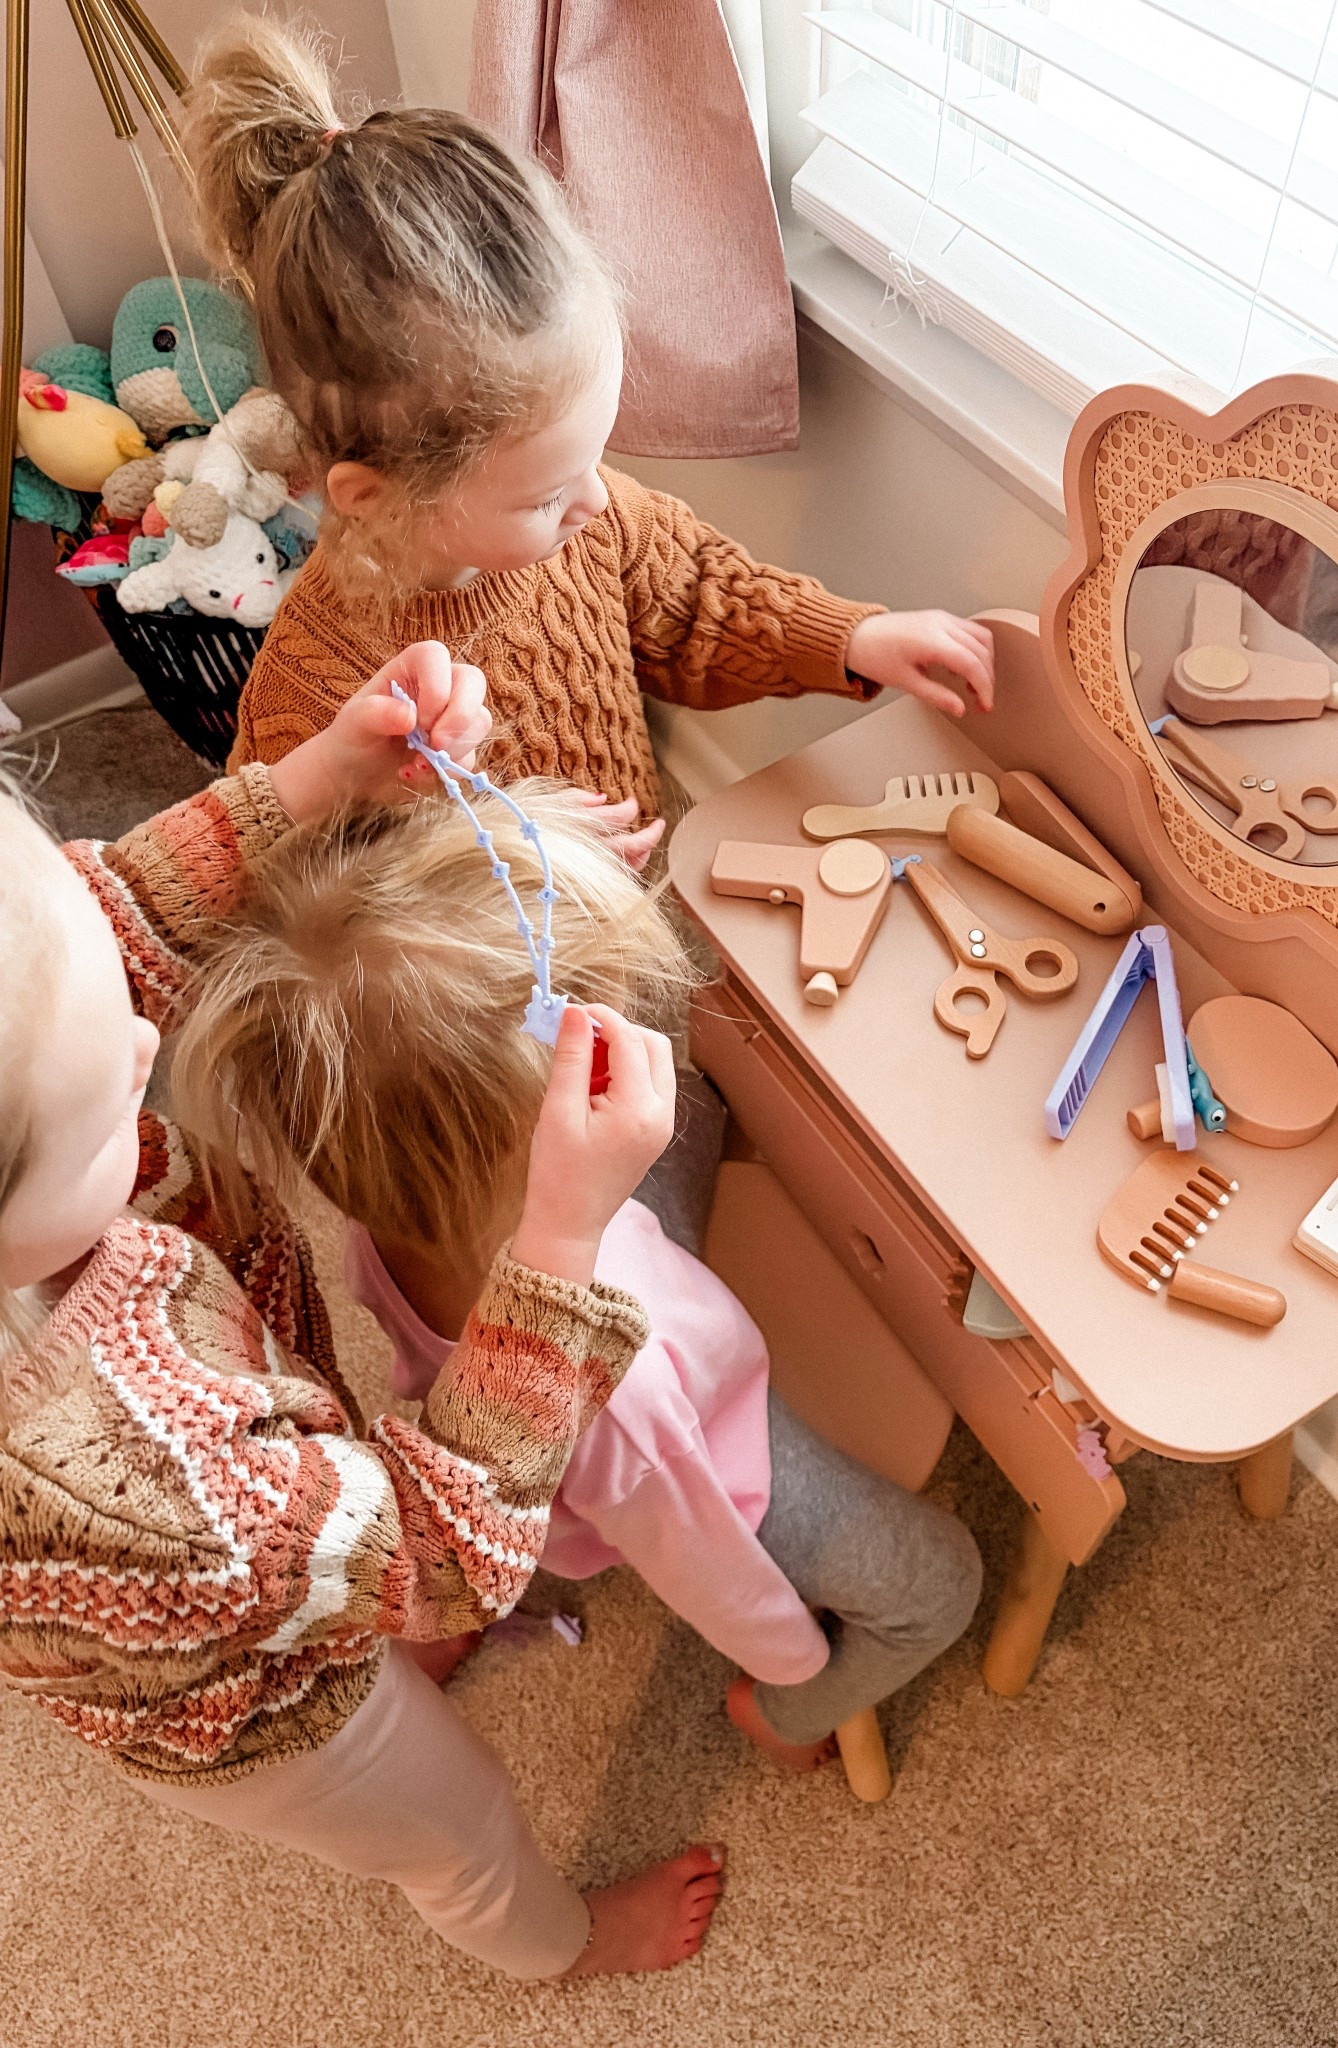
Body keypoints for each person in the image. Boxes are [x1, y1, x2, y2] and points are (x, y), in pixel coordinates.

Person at [0, 643, 724, 1980]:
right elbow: (442, 1557)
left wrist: (303, 785)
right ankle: (555, 1949)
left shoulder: (39, 1078)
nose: (153, 1042)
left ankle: (339, 1599)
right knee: (453, 1825)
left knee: (340, 1563)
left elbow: (88, 929)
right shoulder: (136, 1478)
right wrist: (556, 1238)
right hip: (253, 1705)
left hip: (263, 1502)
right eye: (113, 1096)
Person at [170, 747, 984, 1778]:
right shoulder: (625, 1394)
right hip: (711, 1452)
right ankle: (778, 1715)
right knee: (939, 1585)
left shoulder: (391, 1213)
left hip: (571, 1355)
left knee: (696, 1108)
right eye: (597, 1022)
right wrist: (786, 1661)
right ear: (537, 1144)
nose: (633, 1022)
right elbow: (705, 1564)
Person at [179, 16, 997, 837]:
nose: (597, 502)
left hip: (632, 917)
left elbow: (699, 601)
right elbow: (327, 922)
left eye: (591, 460)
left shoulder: (590, 528)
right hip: (514, 962)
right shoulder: (314, 697)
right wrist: (534, 865)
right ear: (375, 496)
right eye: (543, 496)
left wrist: (856, 637)